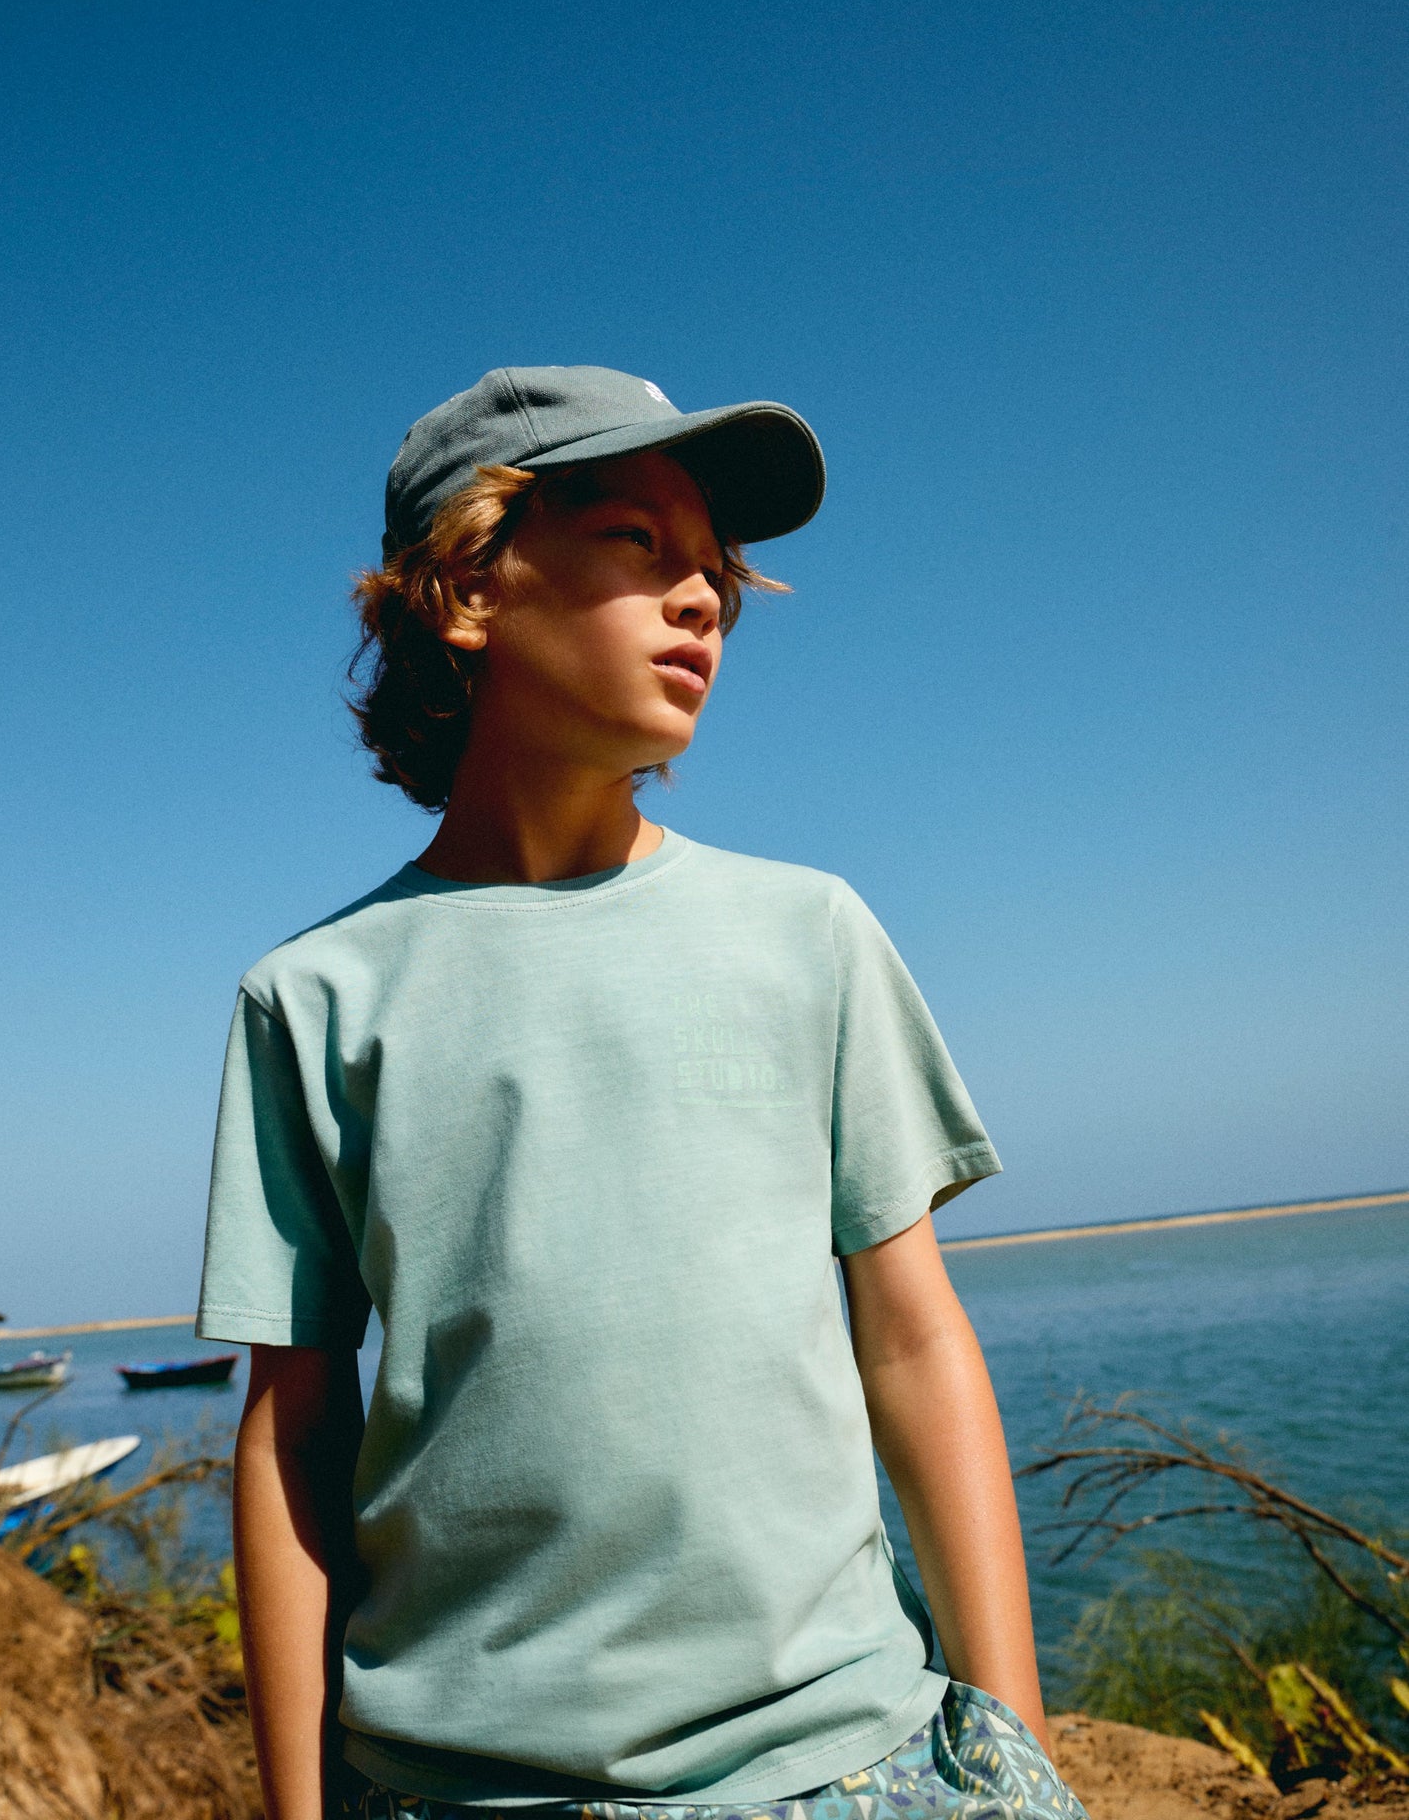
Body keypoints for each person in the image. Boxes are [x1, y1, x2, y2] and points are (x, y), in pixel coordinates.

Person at [196, 366, 1085, 1820]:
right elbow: (293, 1432)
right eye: (637, 541)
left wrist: (1011, 1742)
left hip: (845, 1760)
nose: (703, 601)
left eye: (717, 573)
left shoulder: (810, 934)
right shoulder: (313, 999)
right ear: (467, 589)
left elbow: (914, 1340)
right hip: (460, 1790)